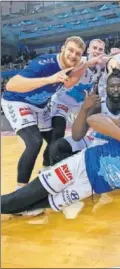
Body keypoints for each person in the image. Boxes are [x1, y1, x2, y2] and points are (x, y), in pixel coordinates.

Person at [1, 116, 120, 234]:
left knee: (33, 206)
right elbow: (94, 119)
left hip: (88, 188)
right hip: (80, 165)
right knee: (22, 197)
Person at [1, 36, 101, 210]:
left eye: (78, 53)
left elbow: (69, 83)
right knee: (34, 143)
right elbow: (11, 85)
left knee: (55, 142)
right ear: (62, 48)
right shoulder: (44, 63)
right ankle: (19, 198)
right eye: (70, 50)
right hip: (17, 101)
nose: (73, 55)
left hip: (40, 106)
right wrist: (49, 79)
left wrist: (85, 64)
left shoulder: (74, 66)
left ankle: (46, 175)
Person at [50, 68, 120, 191]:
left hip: (119, 147)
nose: (116, 89)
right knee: (57, 147)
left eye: (119, 86)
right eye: (112, 86)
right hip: (97, 142)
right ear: (106, 88)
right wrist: (84, 109)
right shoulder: (98, 104)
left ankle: (112, 175)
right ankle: (63, 180)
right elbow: (77, 136)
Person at [50, 39, 107, 146]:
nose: (97, 51)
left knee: (99, 118)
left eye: (100, 49)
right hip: (63, 101)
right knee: (58, 132)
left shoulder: (101, 66)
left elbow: (114, 59)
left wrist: (117, 54)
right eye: (94, 48)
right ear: (88, 50)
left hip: (80, 105)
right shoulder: (79, 61)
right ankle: (53, 160)